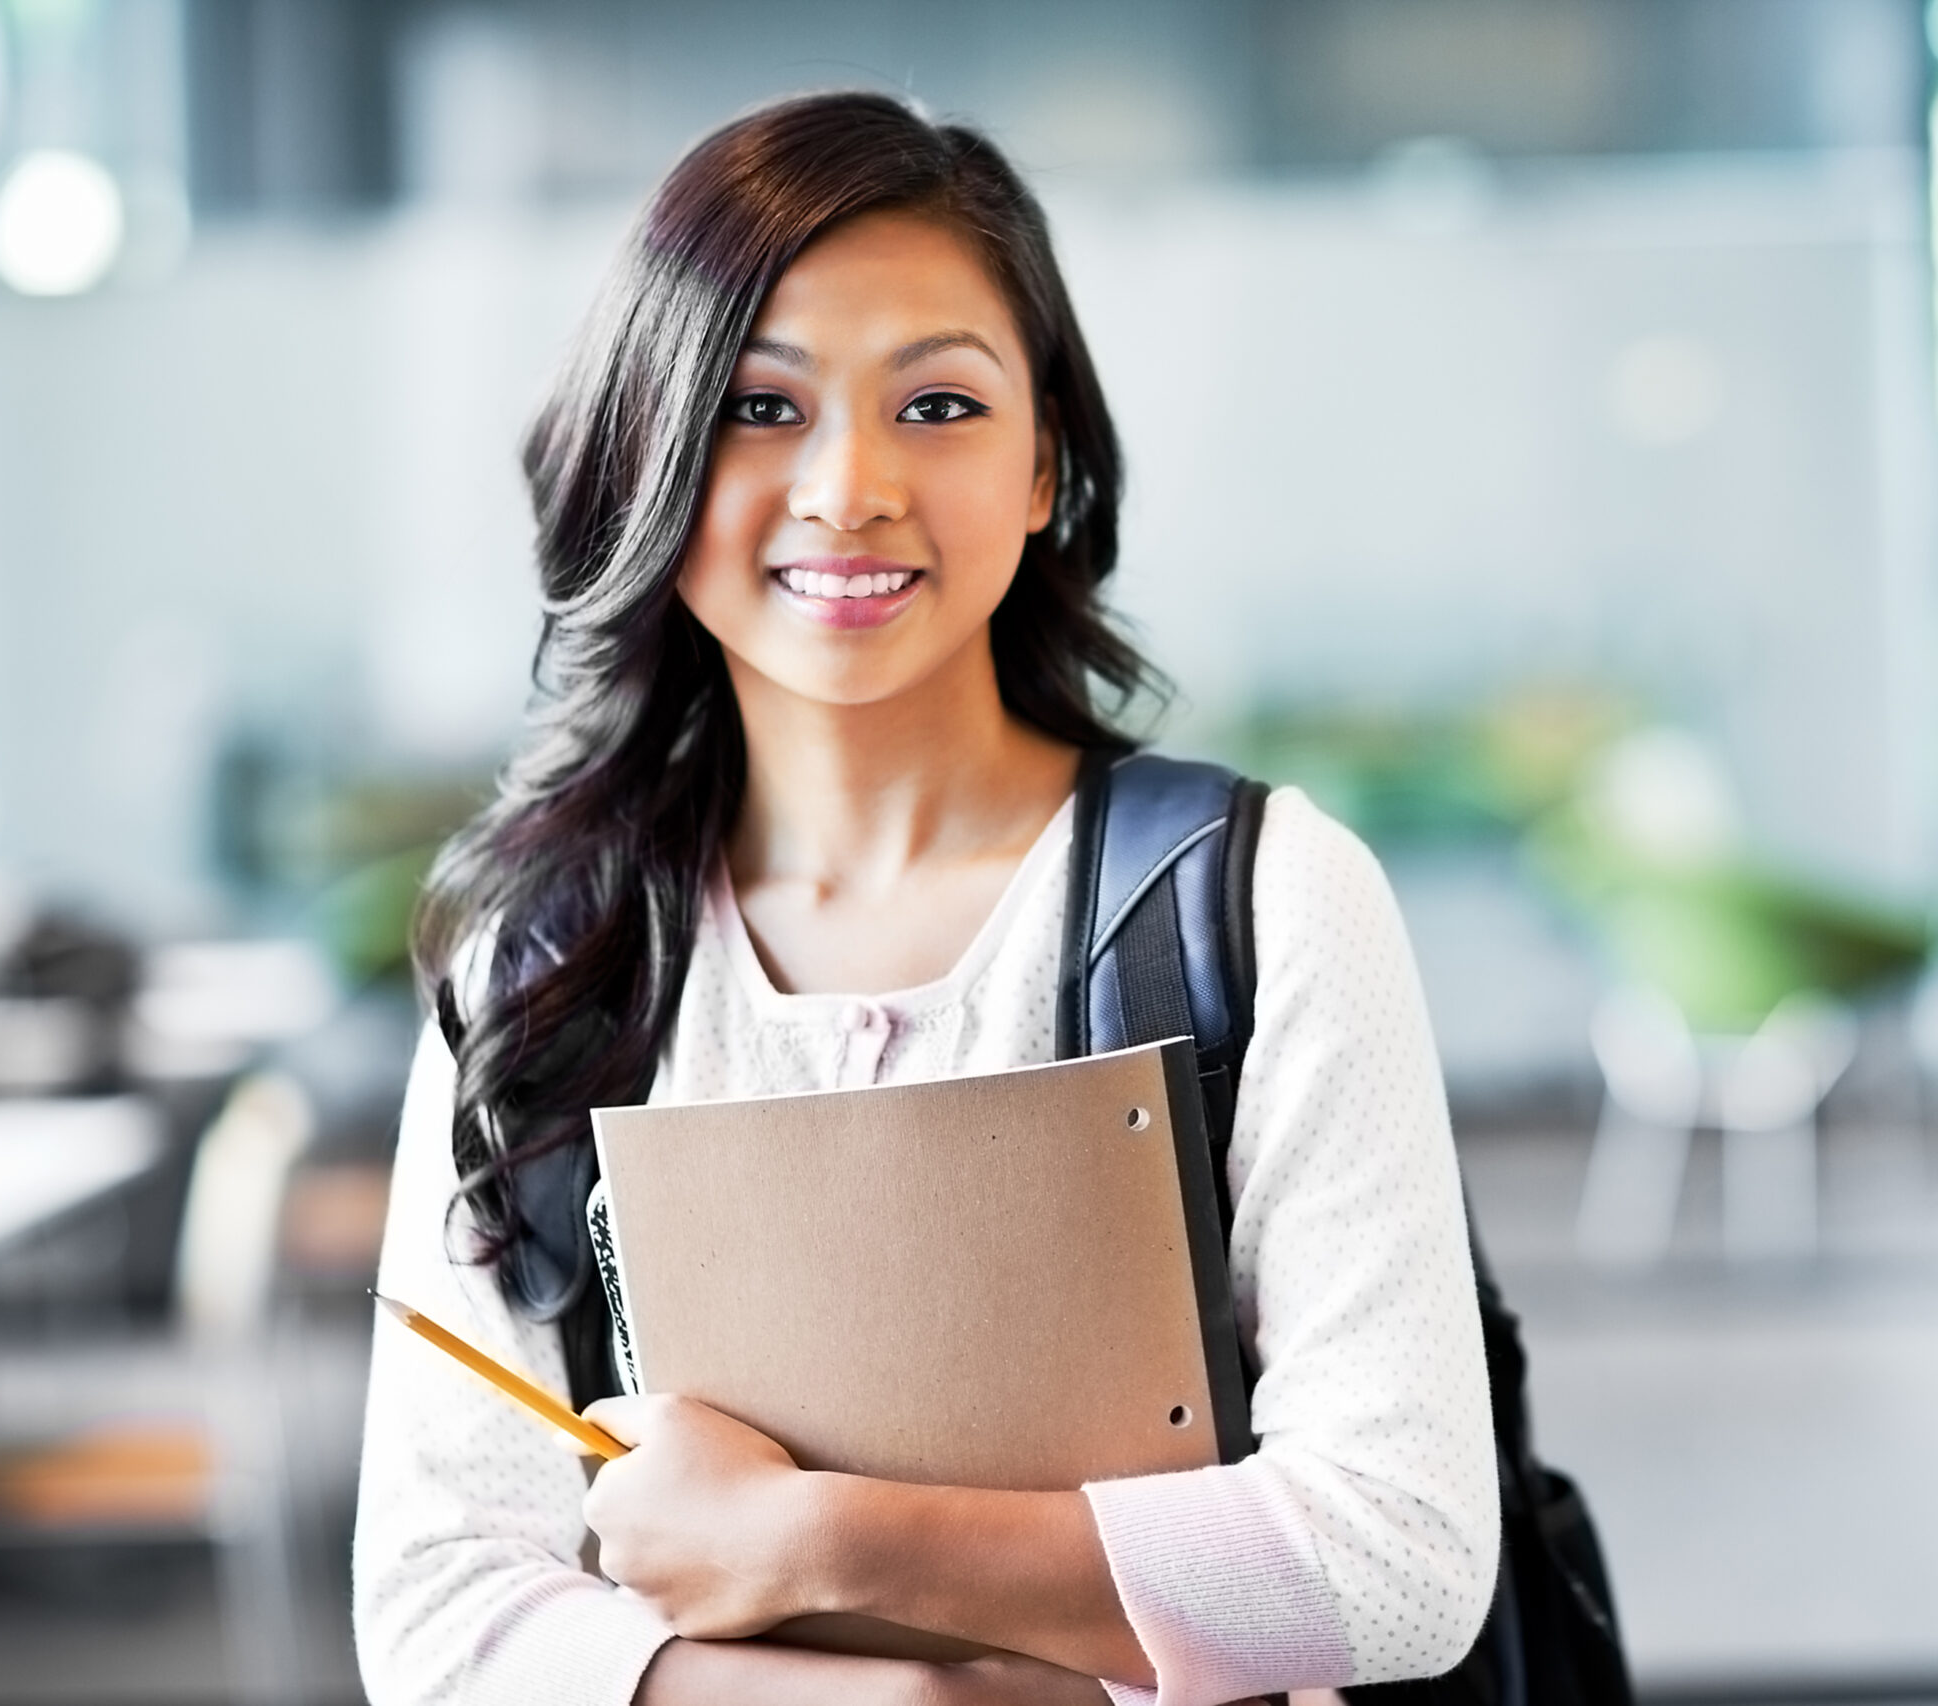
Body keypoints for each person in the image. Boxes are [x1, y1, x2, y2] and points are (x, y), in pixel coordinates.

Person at [353, 90, 1496, 1706]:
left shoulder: (1260, 898)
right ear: (652, 455)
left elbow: (1399, 1558)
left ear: (1046, 466)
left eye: (941, 406)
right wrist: (915, 1701)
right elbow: (434, 1609)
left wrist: (818, 1540)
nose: (850, 487)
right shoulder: (545, 961)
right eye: (760, 405)